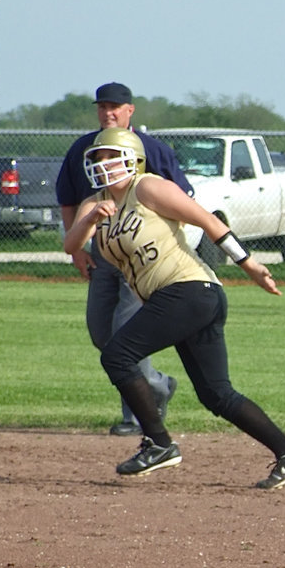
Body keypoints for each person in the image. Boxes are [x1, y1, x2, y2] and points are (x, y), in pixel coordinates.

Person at [62, 127, 285, 490]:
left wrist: (249, 264)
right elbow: (72, 244)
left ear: (132, 158)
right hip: (180, 300)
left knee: (117, 354)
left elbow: (209, 221)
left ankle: (159, 443)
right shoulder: (95, 203)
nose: (103, 164)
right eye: (97, 158)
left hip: (189, 290)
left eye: (110, 156)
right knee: (216, 394)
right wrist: (89, 220)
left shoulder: (147, 187)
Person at [56, 82, 192, 437]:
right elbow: (68, 200)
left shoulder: (151, 149)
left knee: (125, 335)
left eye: (115, 106)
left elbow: (181, 195)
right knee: (101, 333)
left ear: (131, 110)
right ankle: (159, 386)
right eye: (102, 107)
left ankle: (136, 417)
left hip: (140, 254)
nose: (108, 113)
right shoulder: (83, 149)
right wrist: (78, 249)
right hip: (102, 252)